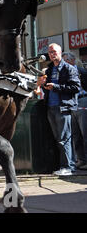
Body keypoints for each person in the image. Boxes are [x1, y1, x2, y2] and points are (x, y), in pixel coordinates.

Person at [37, 43, 81, 176]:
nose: (52, 54)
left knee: (64, 137)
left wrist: (56, 87)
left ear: (60, 52)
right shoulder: (49, 69)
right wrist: (44, 85)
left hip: (63, 107)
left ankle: (68, 166)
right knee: (58, 138)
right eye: (50, 52)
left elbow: (75, 88)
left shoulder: (69, 68)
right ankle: (65, 166)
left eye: (54, 51)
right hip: (51, 107)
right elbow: (48, 88)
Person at [62, 52, 87, 170]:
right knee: (75, 134)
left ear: (72, 60)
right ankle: (81, 160)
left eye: (66, 60)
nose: (64, 63)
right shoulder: (64, 73)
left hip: (83, 101)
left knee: (85, 132)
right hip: (71, 104)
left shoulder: (82, 71)